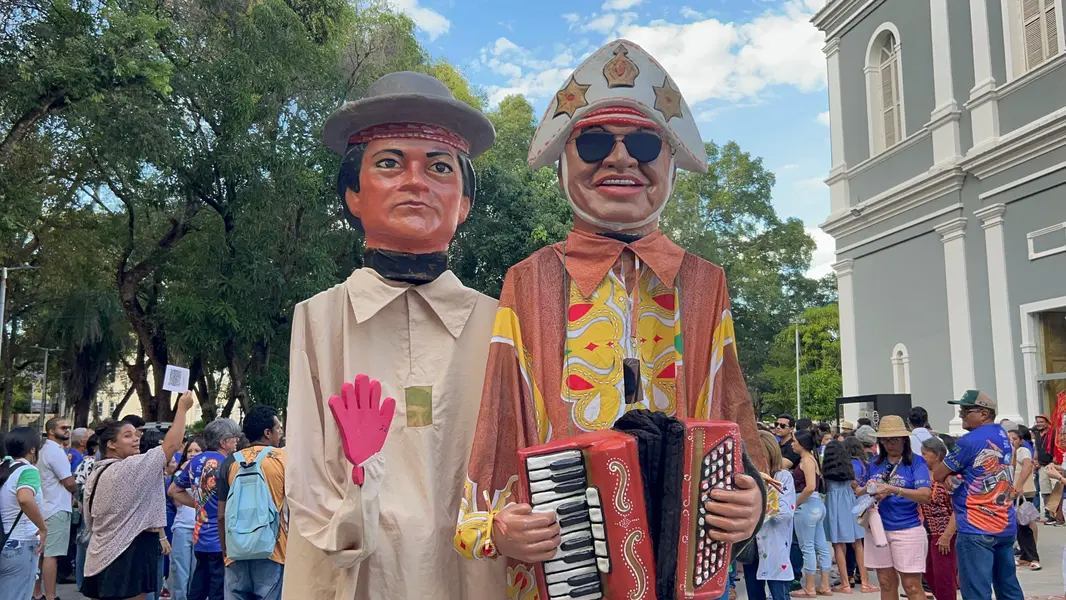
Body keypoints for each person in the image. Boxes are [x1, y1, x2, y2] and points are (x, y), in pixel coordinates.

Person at [455, 41, 767, 599]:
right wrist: (499, 524)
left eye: (644, 142)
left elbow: (730, 407)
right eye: (595, 141)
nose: (621, 159)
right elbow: (500, 415)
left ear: (669, 162)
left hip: (689, 569)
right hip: (567, 572)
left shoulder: (704, 282)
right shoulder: (528, 280)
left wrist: (752, 501)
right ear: (564, 164)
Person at [283, 70, 506, 600]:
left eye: (439, 166)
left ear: (465, 203)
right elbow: (310, 491)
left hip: (472, 575)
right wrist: (362, 480)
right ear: (353, 195)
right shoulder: (318, 319)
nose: (415, 181)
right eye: (389, 163)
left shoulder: (503, 323)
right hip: (357, 578)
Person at [80, 391, 194, 600]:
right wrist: (182, 409)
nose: (136, 440)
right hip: (126, 553)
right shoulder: (128, 468)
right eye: (128, 436)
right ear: (111, 444)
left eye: (136, 435)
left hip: (100, 552)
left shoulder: (97, 472)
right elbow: (170, 446)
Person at [931, 390, 1024, 600]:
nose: (961, 414)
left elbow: (938, 474)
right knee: (1008, 587)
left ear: (984, 413)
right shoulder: (1005, 437)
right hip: (1004, 523)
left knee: (976, 591)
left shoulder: (969, 441)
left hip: (976, 525)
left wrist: (950, 476)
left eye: (965, 410)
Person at [216, 405, 285, 600]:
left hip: (236, 552)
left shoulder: (230, 462)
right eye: (278, 428)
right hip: (273, 551)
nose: (280, 433)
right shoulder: (283, 459)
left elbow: (221, 515)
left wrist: (226, 554)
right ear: (267, 432)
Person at [858, 415, 931, 600]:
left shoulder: (916, 462)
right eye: (885, 439)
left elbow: (925, 495)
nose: (889, 444)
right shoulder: (875, 463)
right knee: (885, 581)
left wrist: (894, 489)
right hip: (878, 528)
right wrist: (868, 489)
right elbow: (861, 491)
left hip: (907, 528)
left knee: (911, 585)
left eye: (894, 439)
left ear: (904, 440)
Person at [169, 419, 241, 600]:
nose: (236, 442)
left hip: (200, 537)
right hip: (222, 539)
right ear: (224, 442)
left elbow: (173, 490)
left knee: (198, 585)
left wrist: (198, 504)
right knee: (218, 589)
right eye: (234, 439)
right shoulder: (229, 464)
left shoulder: (194, 462)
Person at [743, 430, 795, 600]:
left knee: (780, 594)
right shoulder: (747, 479)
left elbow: (785, 513)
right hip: (751, 547)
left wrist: (767, 489)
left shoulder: (783, 477)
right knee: (754, 595)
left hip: (775, 547)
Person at [0, 428, 47, 600]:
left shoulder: (4, 470)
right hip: (21, 544)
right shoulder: (28, 471)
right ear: (32, 449)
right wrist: (42, 528)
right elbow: (25, 498)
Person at [34, 417, 76, 600]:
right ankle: (51, 596)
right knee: (52, 555)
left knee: (41, 555)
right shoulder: (55, 452)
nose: (67, 430)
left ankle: (37, 594)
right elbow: (68, 482)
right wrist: (77, 488)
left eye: (69, 427)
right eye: (63, 427)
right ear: (51, 431)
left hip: (45, 507)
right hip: (57, 507)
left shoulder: (45, 450)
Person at [823, 440, 871, 594]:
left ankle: (845, 583)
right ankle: (865, 582)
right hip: (850, 502)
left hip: (834, 504)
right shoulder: (848, 468)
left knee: (838, 544)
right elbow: (856, 487)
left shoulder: (826, 470)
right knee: (858, 543)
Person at [790, 430, 832, 597]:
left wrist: (796, 503)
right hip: (816, 506)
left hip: (806, 506)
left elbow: (809, 486)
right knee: (821, 546)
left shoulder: (807, 460)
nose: (792, 444)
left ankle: (809, 586)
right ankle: (824, 584)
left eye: (794, 441)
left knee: (807, 547)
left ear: (802, 443)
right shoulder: (812, 459)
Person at [919, 437, 958, 600]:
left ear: (937, 455)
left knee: (944, 578)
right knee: (929, 573)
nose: (922, 457)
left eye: (925, 454)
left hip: (944, 533)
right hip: (929, 532)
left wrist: (946, 536)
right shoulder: (924, 474)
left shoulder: (949, 478)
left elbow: (958, 509)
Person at [167, 438, 201, 600]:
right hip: (182, 527)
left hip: (201, 529)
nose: (193, 454)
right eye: (190, 451)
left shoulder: (208, 473)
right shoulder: (180, 475)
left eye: (197, 451)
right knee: (180, 573)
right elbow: (176, 500)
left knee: (196, 573)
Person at [1009, 426, 1040, 570]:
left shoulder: (1023, 451)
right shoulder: (1011, 453)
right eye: (1009, 438)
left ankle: (1033, 556)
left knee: (1025, 524)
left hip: (1023, 492)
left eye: (1014, 439)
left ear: (1021, 440)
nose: (1012, 441)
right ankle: (1025, 556)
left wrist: (1019, 485)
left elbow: (1028, 466)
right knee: (1019, 526)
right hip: (1015, 492)